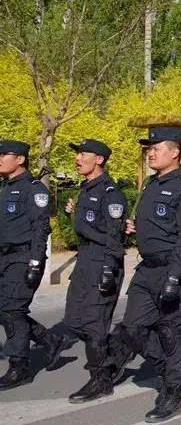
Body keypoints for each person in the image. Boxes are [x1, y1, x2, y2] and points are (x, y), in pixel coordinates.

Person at [106, 127, 181, 422]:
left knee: (171, 332)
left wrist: (174, 278)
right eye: (148, 147)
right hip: (147, 270)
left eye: (156, 147)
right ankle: (172, 370)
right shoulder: (150, 184)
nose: (150, 152)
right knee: (133, 329)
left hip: (175, 270)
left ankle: (174, 391)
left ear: (175, 152)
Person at [56, 139, 127, 402]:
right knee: (74, 321)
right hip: (85, 260)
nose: (77, 158)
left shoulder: (110, 193)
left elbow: (113, 237)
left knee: (94, 325)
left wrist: (109, 269)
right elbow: (88, 226)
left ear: (99, 159)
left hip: (101, 261)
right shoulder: (86, 189)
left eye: (83, 154)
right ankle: (114, 356)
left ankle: (101, 380)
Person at [0, 140, 67, 390]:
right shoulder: (6, 188)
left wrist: (36, 263)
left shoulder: (34, 189)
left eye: (4, 154)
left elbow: (41, 229)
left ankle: (20, 367)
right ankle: (49, 339)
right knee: (4, 309)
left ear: (19, 159)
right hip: (4, 258)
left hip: (23, 257)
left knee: (13, 311)